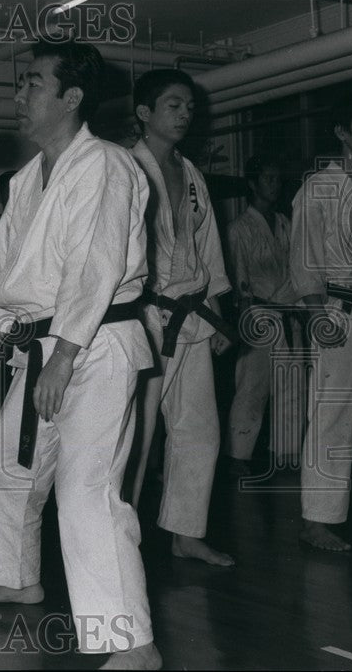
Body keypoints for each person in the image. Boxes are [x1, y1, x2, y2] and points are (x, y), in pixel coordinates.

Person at [0, 42, 161, 670]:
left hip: (95, 345)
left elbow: (93, 270)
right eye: (20, 84)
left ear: (72, 97)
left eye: (34, 84)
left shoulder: (104, 165)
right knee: (1, 469)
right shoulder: (26, 179)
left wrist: (64, 358)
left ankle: (133, 645)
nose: (20, 96)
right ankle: (17, 577)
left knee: (86, 492)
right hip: (46, 345)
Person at [129, 69, 235, 567]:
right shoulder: (124, 169)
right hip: (143, 317)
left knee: (199, 431)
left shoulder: (191, 174)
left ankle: (186, 532)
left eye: (189, 106)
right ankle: (116, 533)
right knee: (135, 434)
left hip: (191, 315)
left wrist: (214, 313)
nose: (185, 113)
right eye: (174, 104)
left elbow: (208, 247)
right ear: (144, 113)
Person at [291, 90, 352, 551]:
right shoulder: (317, 188)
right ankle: (317, 519)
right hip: (341, 313)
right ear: (341, 132)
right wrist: (317, 317)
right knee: (334, 417)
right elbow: (304, 260)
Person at [226, 154, 307, 475]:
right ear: (253, 184)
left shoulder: (286, 224)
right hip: (258, 314)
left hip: (290, 314)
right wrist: (245, 317)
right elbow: (239, 278)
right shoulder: (239, 228)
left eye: (277, 179)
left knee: (292, 387)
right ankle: (238, 457)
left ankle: (286, 454)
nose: (274, 185)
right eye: (268, 179)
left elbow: (298, 272)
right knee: (252, 387)